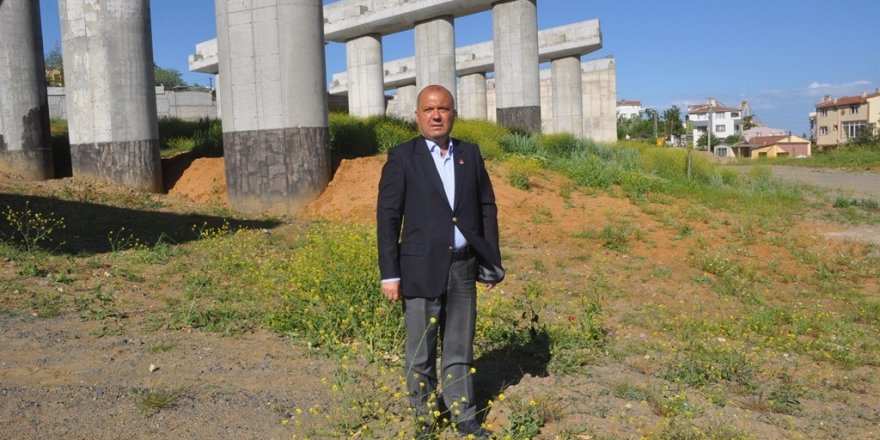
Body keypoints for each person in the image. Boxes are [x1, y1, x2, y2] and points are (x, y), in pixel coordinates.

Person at [377, 84, 504, 439]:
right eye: (429, 109)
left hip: (463, 266)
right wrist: (390, 274)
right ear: (417, 116)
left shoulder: (470, 154)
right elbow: (387, 218)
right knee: (421, 348)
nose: (436, 115)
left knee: (460, 343)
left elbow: (485, 208)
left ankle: (464, 416)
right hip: (419, 267)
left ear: (453, 114)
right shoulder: (402, 157)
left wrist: (490, 259)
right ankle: (424, 416)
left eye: (443, 109)